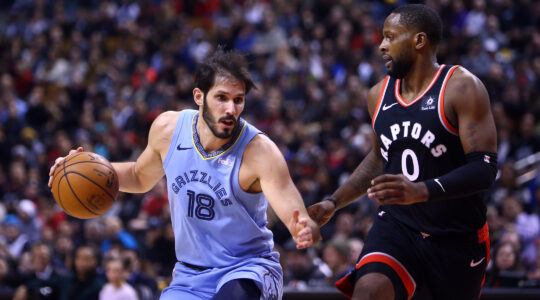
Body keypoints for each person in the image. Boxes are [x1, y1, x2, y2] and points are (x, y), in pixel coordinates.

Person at [49, 49, 320, 300]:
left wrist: (303, 227)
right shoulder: (169, 129)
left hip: (248, 269)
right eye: (222, 98)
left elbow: (294, 212)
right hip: (191, 275)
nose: (231, 109)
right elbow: (139, 176)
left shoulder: (260, 152)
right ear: (199, 97)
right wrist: (81, 168)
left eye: (239, 100)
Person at [308, 4, 498, 300]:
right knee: (368, 293)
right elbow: (378, 157)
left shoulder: (461, 87)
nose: (382, 45)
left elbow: (484, 169)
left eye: (390, 36)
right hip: (397, 226)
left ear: (419, 41)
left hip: (456, 233)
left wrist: (422, 190)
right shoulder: (378, 94)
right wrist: (334, 202)